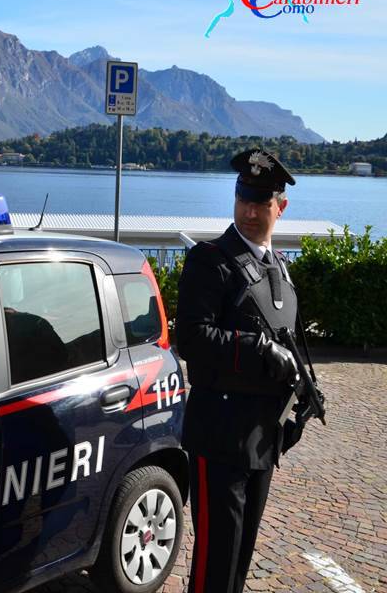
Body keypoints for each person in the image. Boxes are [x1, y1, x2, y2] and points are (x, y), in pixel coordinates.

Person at [177, 148, 306, 593]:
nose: (250, 212)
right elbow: (191, 339)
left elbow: (290, 345)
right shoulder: (210, 261)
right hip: (219, 435)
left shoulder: (280, 272)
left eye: (261, 203)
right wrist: (257, 351)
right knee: (215, 564)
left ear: (281, 207)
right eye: (243, 200)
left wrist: (301, 397)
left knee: (239, 563)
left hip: (261, 438)